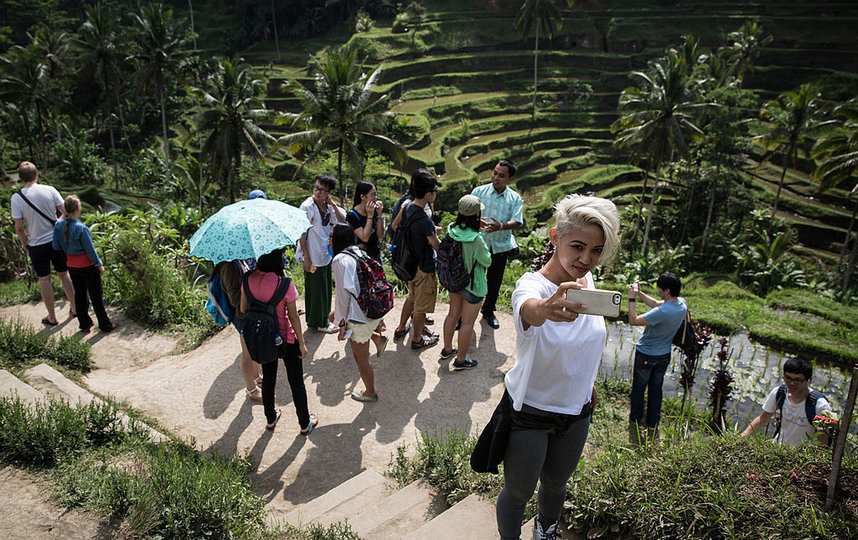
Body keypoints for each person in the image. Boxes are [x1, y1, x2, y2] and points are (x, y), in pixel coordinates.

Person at [496, 194, 619, 540]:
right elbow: (529, 308)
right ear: (555, 237)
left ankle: (545, 531)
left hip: (577, 411)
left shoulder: (587, 280)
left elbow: (585, 343)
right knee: (518, 492)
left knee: (556, 484)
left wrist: (586, 382)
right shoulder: (532, 286)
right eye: (577, 246)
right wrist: (543, 310)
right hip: (532, 412)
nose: (586, 259)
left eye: (596, 251)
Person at [240, 248, 316, 433]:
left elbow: (243, 309)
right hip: (286, 338)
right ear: (277, 260)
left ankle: (271, 419)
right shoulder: (284, 284)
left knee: (268, 379)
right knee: (296, 381)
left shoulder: (247, 279)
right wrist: (302, 343)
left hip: (263, 338)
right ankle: (305, 423)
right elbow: (293, 317)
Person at [11, 161, 75, 325]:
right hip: (55, 240)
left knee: (44, 279)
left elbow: (19, 228)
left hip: (36, 244)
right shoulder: (50, 190)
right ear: (37, 175)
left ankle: (52, 317)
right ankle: (75, 308)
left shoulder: (16, 198)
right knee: (64, 273)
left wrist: (26, 246)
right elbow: (66, 212)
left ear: (20, 178)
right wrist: (57, 223)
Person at [329, 223, 387, 402]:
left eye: (331, 236)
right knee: (334, 317)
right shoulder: (361, 253)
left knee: (361, 359)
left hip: (358, 315)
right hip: (371, 310)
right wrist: (380, 318)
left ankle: (370, 392)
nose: (328, 239)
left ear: (337, 240)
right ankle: (377, 337)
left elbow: (342, 296)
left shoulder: (339, 260)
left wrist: (340, 323)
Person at [626, 273, 688, 441]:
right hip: (664, 355)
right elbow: (654, 303)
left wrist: (632, 299)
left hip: (646, 354)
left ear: (667, 290)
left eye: (660, 288)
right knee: (656, 389)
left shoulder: (662, 312)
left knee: (639, 388)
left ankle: (636, 418)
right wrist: (639, 293)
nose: (658, 290)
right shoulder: (681, 304)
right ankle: (653, 421)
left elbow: (634, 320)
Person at [51, 195, 117, 333]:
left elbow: (56, 246)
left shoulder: (58, 226)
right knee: (96, 296)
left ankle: (84, 324)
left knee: (79, 295)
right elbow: (90, 250)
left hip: (72, 266)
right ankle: (105, 324)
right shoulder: (82, 228)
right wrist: (99, 265)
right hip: (87, 266)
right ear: (78, 208)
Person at [391, 169, 441, 351]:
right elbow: (437, 247)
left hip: (409, 263)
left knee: (411, 297)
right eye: (435, 190)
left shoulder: (407, 207)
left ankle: (401, 327)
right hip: (424, 266)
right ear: (428, 194)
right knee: (421, 307)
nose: (435, 193)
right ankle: (418, 339)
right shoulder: (426, 221)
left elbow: (395, 226)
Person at [440, 194, 491, 371]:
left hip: (454, 281)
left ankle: (447, 349)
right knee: (468, 323)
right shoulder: (477, 239)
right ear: (477, 215)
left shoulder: (451, 229)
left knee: (452, 314)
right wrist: (480, 232)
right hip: (472, 285)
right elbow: (486, 261)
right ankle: (461, 360)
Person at [471, 158, 523, 330]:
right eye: (495, 173)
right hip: (478, 244)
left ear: (510, 179)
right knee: (471, 279)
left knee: (495, 281)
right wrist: (475, 221)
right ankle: (464, 313)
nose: (496, 178)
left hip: (500, 246)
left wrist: (500, 226)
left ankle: (488, 311)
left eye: (501, 176)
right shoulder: (478, 192)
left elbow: (517, 221)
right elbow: (468, 213)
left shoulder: (515, 198)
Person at [742, 357, 832, 446]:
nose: (791, 383)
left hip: (802, 456)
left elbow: (823, 440)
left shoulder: (820, 406)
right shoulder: (779, 393)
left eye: (797, 380)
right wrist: (742, 438)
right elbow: (763, 419)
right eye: (788, 378)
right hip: (778, 448)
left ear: (809, 380)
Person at [297, 174, 345, 333]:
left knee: (325, 289)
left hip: (324, 254)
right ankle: (319, 323)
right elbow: (302, 233)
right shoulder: (307, 206)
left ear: (329, 193)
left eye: (322, 190)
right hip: (313, 255)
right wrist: (306, 257)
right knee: (315, 291)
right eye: (316, 188)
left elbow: (342, 221)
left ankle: (321, 319)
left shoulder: (327, 206)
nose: (317, 192)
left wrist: (333, 204)